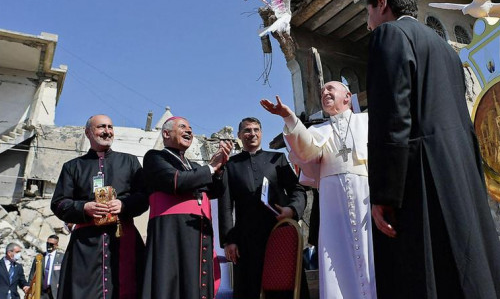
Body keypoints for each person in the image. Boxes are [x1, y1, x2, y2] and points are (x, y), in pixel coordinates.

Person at [365, 0, 500, 298]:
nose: (369, 24)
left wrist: (384, 193)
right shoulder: (445, 49)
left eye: (369, 15)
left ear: (381, 4)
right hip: (460, 171)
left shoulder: (389, 34)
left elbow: (392, 116)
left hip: (421, 175)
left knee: (427, 272)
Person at [261, 81, 376, 299]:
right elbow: (305, 151)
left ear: (347, 96)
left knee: (371, 253)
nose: (324, 92)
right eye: (322, 91)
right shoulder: (318, 130)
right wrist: (289, 117)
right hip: (332, 202)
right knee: (336, 256)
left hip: (365, 195)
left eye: (330, 89)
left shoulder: (367, 121)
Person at [51, 114, 148, 299]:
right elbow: (59, 203)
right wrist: (84, 207)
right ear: (88, 132)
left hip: (123, 238)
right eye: (101, 127)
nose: (107, 131)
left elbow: (144, 196)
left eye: (110, 127)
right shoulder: (72, 166)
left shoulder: (130, 162)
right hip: (85, 245)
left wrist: (124, 204)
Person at [141, 116, 231, 299]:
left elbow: (216, 190)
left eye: (190, 127)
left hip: (197, 235)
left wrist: (219, 170)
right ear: (166, 133)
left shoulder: (194, 165)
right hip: (171, 235)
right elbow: (176, 182)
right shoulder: (155, 157)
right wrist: (211, 168)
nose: (189, 130)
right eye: (182, 127)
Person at [218, 117, 308, 298]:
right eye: (247, 130)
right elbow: (226, 206)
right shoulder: (230, 166)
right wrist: (229, 241)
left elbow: (297, 190)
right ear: (239, 136)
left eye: (256, 130)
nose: (252, 134)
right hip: (246, 240)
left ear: (261, 133)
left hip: (279, 233)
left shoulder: (277, 159)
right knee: (250, 288)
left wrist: (291, 210)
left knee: (284, 286)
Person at [28, 235, 64, 299]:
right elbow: (32, 275)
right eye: (47, 243)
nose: (49, 246)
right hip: (41, 292)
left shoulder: (61, 258)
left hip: (55, 292)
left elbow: (65, 274)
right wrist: (29, 288)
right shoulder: (40, 257)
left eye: (51, 244)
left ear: (56, 245)